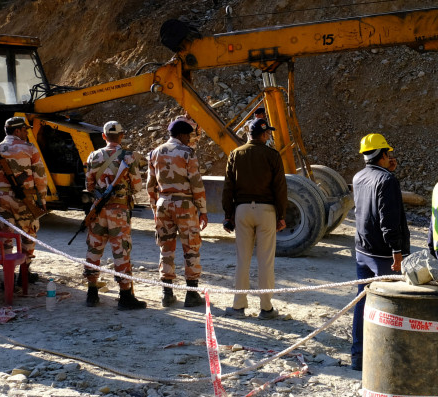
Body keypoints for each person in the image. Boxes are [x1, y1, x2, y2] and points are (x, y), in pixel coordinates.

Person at [350, 133, 410, 371]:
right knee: (388, 304)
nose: (391, 158)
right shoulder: (387, 181)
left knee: (362, 302)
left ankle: (358, 356)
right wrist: (397, 249)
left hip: (362, 249)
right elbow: (389, 218)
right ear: (383, 154)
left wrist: (389, 172)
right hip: (383, 253)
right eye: (389, 154)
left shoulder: (359, 176)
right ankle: (386, 358)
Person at [221, 118, 287, 319]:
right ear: (265, 135)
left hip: (242, 211)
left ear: (248, 134)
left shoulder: (235, 154)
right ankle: (266, 308)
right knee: (265, 261)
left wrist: (228, 215)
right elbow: (280, 188)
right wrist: (281, 215)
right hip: (266, 211)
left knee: (243, 260)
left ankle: (239, 306)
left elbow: (228, 188)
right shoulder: (272, 155)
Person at [0, 116, 47, 287]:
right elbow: (40, 178)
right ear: (17, 131)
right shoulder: (30, 149)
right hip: (26, 200)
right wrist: (42, 200)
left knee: (5, 236)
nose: (26, 133)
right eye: (25, 130)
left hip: (2, 200)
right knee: (28, 234)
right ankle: (24, 273)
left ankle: (7, 276)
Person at [83, 120, 146, 310]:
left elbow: (89, 187)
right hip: (119, 211)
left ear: (103, 136)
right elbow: (136, 187)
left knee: (94, 249)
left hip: (98, 209)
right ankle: (125, 295)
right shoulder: (128, 156)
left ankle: (91, 293)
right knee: (121, 251)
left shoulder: (93, 156)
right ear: (121, 135)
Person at [146, 118, 208, 308]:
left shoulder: (155, 153)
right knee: (191, 246)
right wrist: (203, 210)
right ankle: (191, 294)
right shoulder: (187, 153)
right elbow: (196, 183)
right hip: (184, 203)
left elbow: (150, 186)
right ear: (181, 135)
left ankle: (167, 293)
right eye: (188, 135)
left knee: (166, 248)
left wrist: (155, 209)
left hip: (163, 203)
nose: (189, 139)